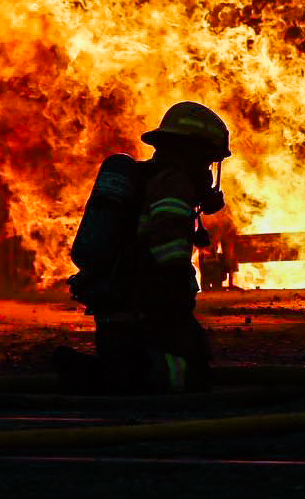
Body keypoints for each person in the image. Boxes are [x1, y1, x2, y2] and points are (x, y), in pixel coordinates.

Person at [55, 101, 230, 393]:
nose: (209, 170)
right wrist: (176, 287)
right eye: (208, 160)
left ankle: (107, 374)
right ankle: (90, 376)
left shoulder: (150, 177)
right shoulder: (174, 182)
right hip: (146, 304)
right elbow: (168, 238)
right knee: (190, 373)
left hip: (120, 304)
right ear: (194, 151)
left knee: (162, 363)